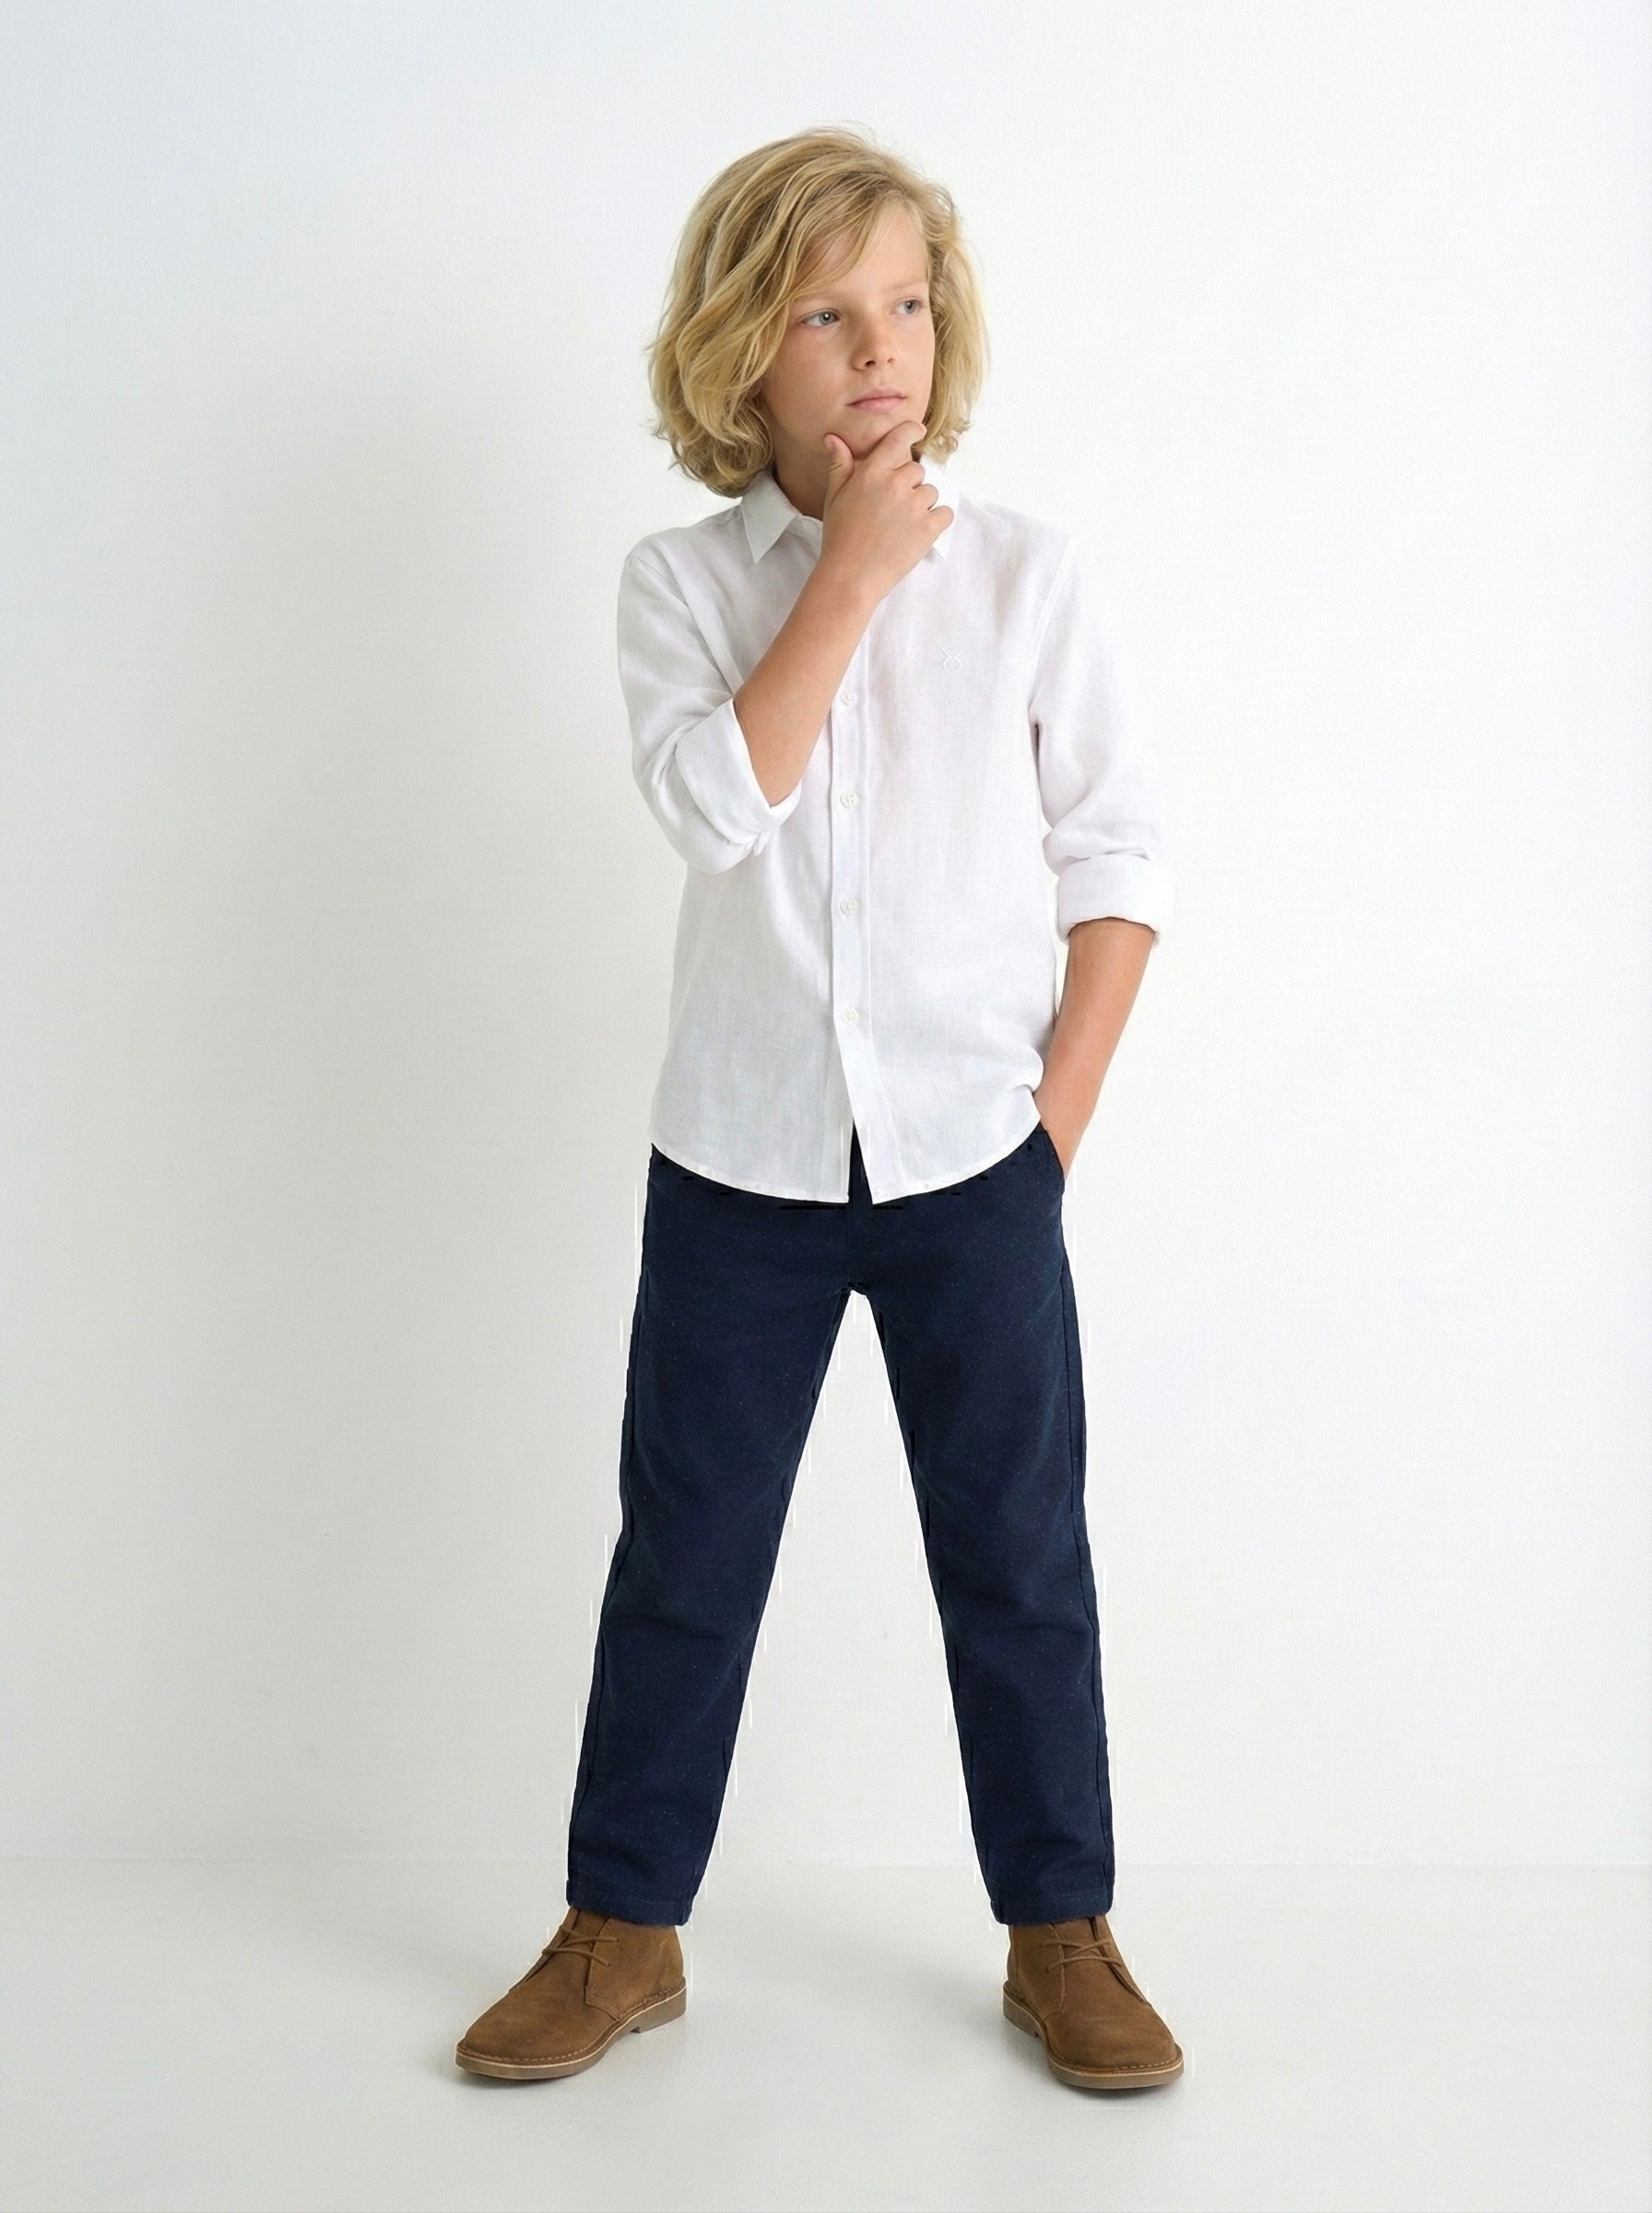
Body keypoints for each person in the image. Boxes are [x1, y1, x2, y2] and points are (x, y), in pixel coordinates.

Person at [455, 124, 1184, 2093]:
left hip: (973, 1161)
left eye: (908, 306)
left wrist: (1049, 1132)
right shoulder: (678, 587)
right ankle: (621, 1933)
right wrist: (848, 580)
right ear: (737, 356)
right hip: (740, 1164)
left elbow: (1118, 859)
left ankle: (1060, 1930)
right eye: (824, 315)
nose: (879, 351)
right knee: (685, 1554)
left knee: (1015, 1557)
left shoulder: (1030, 580)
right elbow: (713, 808)